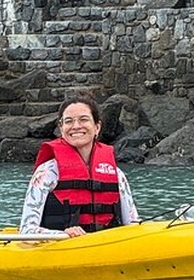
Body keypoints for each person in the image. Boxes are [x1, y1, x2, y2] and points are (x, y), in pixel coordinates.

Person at [20, 93, 139, 238]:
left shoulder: (116, 174)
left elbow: (133, 224)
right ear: (61, 128)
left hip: (105, 247)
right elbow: (27, 230)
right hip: (59, 249)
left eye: (84, 119)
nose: (76, 126)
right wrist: (63, 234)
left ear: (97, 127)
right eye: (69, 121)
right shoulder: (47, 172)